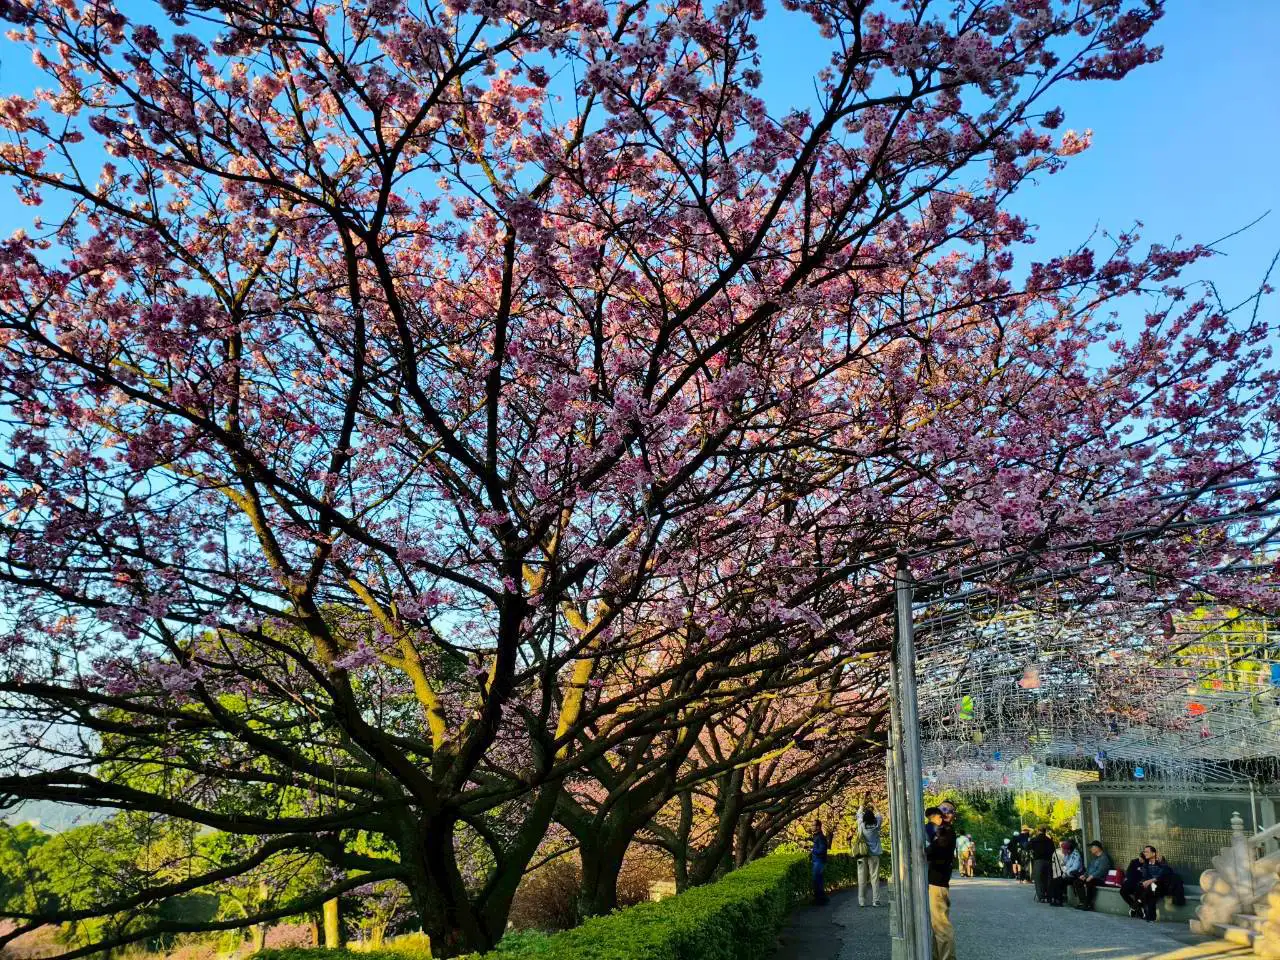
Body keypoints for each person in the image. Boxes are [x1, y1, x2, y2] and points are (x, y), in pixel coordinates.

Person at [925, 806, 957, 960]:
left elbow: (931, 851)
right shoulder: (940, 830)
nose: (944, 813)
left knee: (941, 926)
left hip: (938, 882)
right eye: (941, 809)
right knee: (937, 925)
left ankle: (946, 957)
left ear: (953, 815)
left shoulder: (946, 832)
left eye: (948, 811)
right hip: (936, 881)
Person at [856, 801, 884, 907]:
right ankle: (875, 900)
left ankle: (862, 901)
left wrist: (862, 803)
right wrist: (874, 805)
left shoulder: (861, 824)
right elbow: (879, 815)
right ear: (873, 817)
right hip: (874, 855)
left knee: (861, 878)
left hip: (862, 854)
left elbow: (859, 813)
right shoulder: (876, 825)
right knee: (875, 878)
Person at [1137, 846, 1176, 922]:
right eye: (1144, 852)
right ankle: (1150, 916)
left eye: (1147, 852)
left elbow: (1164, 874)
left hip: (1162, 887)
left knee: (1151, 888)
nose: (1145, 853)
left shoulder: (1161, 863)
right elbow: (1145, 877)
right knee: (1148, 889)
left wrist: (1152, 880)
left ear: (1153, 853)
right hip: (1151, 887)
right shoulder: (1146, 864)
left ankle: (1140, 902)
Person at [1074, 841, 1113, 911]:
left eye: (1092, 847)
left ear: (1097, 848)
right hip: (1091, 877)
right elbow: (1089, 869)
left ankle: (1088, 904)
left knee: (1090, 882)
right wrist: (1084, 875)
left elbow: (1101, 871)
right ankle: (1082, 902)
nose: (1090, 849)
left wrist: (1091, 876)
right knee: (1077, 882)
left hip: (1101, 879)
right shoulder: (1094, 858)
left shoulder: (1104, 858)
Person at [1049, 838, 1082, 906]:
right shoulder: (1068, 855)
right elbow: (1064, 864)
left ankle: (1059, 900)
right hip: (1067, 874)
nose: (1062, 851)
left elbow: (1075, 868)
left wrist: (1065, 872)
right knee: (1055, 880)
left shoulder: (1076, 855)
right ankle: (1054, 898)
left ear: (1068, 850)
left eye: (1064, 849)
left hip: (1075, 875)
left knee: (1059, 881)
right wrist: (1064, 870)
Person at [1028, 826, 1056, 903]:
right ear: (1045, 831)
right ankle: (1049, 896)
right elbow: (1053, 850)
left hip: (1038, 860)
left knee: (1038, 879)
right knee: (1048, 878)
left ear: (1038, 831)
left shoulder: (1034, 840)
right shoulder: (1049, 840)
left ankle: (1041, 896)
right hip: (1048, 860)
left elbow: (1027, 847)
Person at [1119, 850, 1149, 918]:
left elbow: (1146, 876)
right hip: (1132, 882)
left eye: (1142, 858)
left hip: (1140, 884)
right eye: (1140, 857)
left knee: (1138, 890)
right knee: (1122, 891)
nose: (1140, 859)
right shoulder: (1134, 862)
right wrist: (1127, 880)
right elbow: (1128, 873)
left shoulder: (1147, 865)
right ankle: (1136, 908)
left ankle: (1135, 908)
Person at [810, 818, 832, 905]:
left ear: (818, 827)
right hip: (816, 861)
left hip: (819, 861)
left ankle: (820, 900)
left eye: (813, 825)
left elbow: (822, 850)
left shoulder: (821, 837)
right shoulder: (816, 836)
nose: (812, 827)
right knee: (817, 880)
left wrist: (812, 850)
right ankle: (820, 899)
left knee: (817, 880)